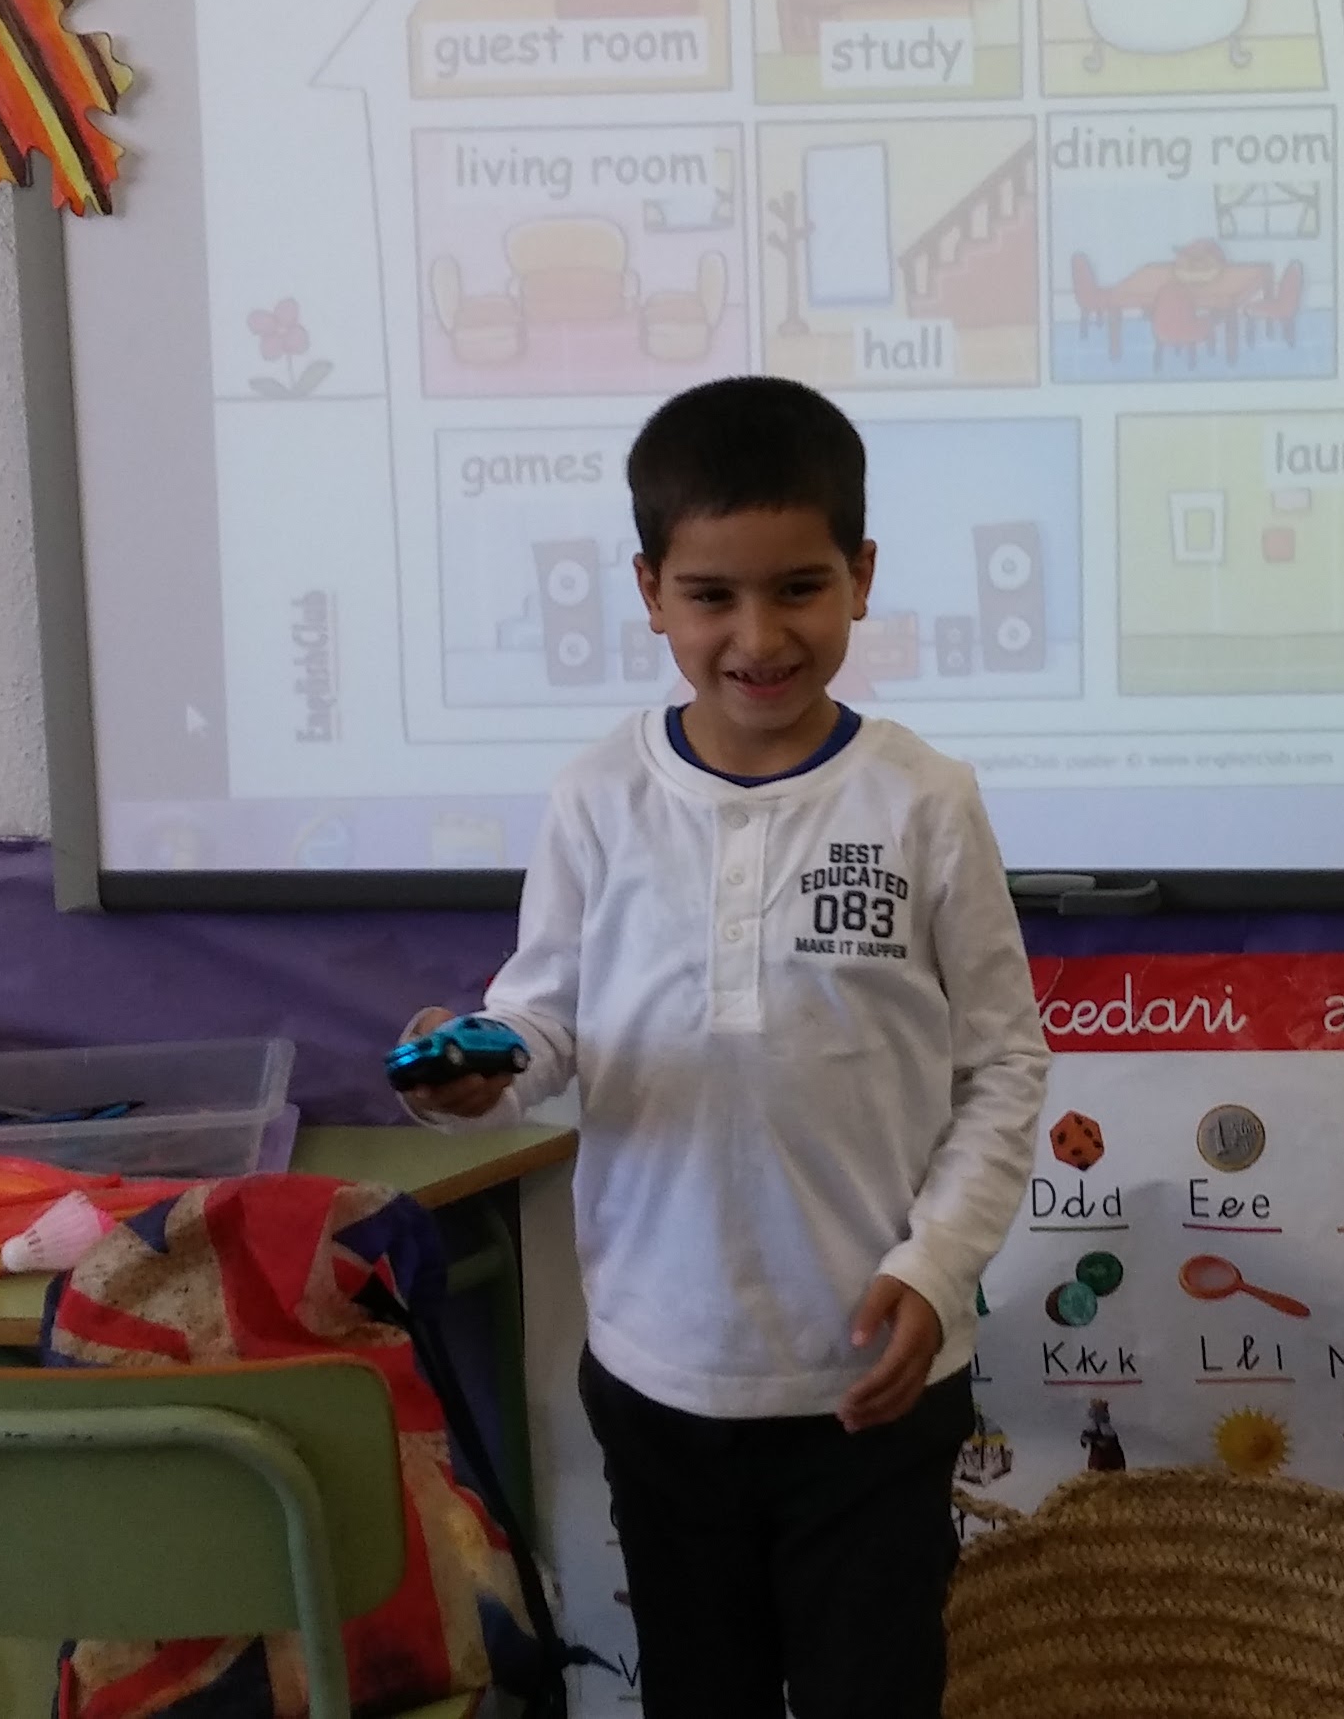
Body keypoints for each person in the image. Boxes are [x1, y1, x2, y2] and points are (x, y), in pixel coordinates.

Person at [400, 374, 1047, 1719]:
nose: (758, 636)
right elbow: (544, 1023)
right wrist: (475, 1068)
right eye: (711, 596)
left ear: (861, 576)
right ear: (650, 592)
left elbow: (1000, 1067)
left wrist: (935, 1272)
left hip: (876, 1380)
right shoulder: (598, 796)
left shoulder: (925, 801)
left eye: (800, 587)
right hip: (662, 1375)